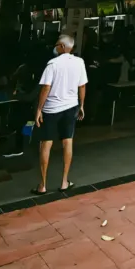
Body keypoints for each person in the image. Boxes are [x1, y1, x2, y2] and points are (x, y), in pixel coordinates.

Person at [32, 34, 87, 194]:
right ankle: (64, 182)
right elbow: (82, 86)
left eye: (57, 45)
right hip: (71, 107)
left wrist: (38, 109)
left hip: (51, 109)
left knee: (46, 144)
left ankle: (42, 185)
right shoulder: (79, 62)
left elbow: (46, 88)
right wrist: (81, 105)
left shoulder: (52, 64)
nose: (55, 48)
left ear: (62, 46)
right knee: (67, 141)